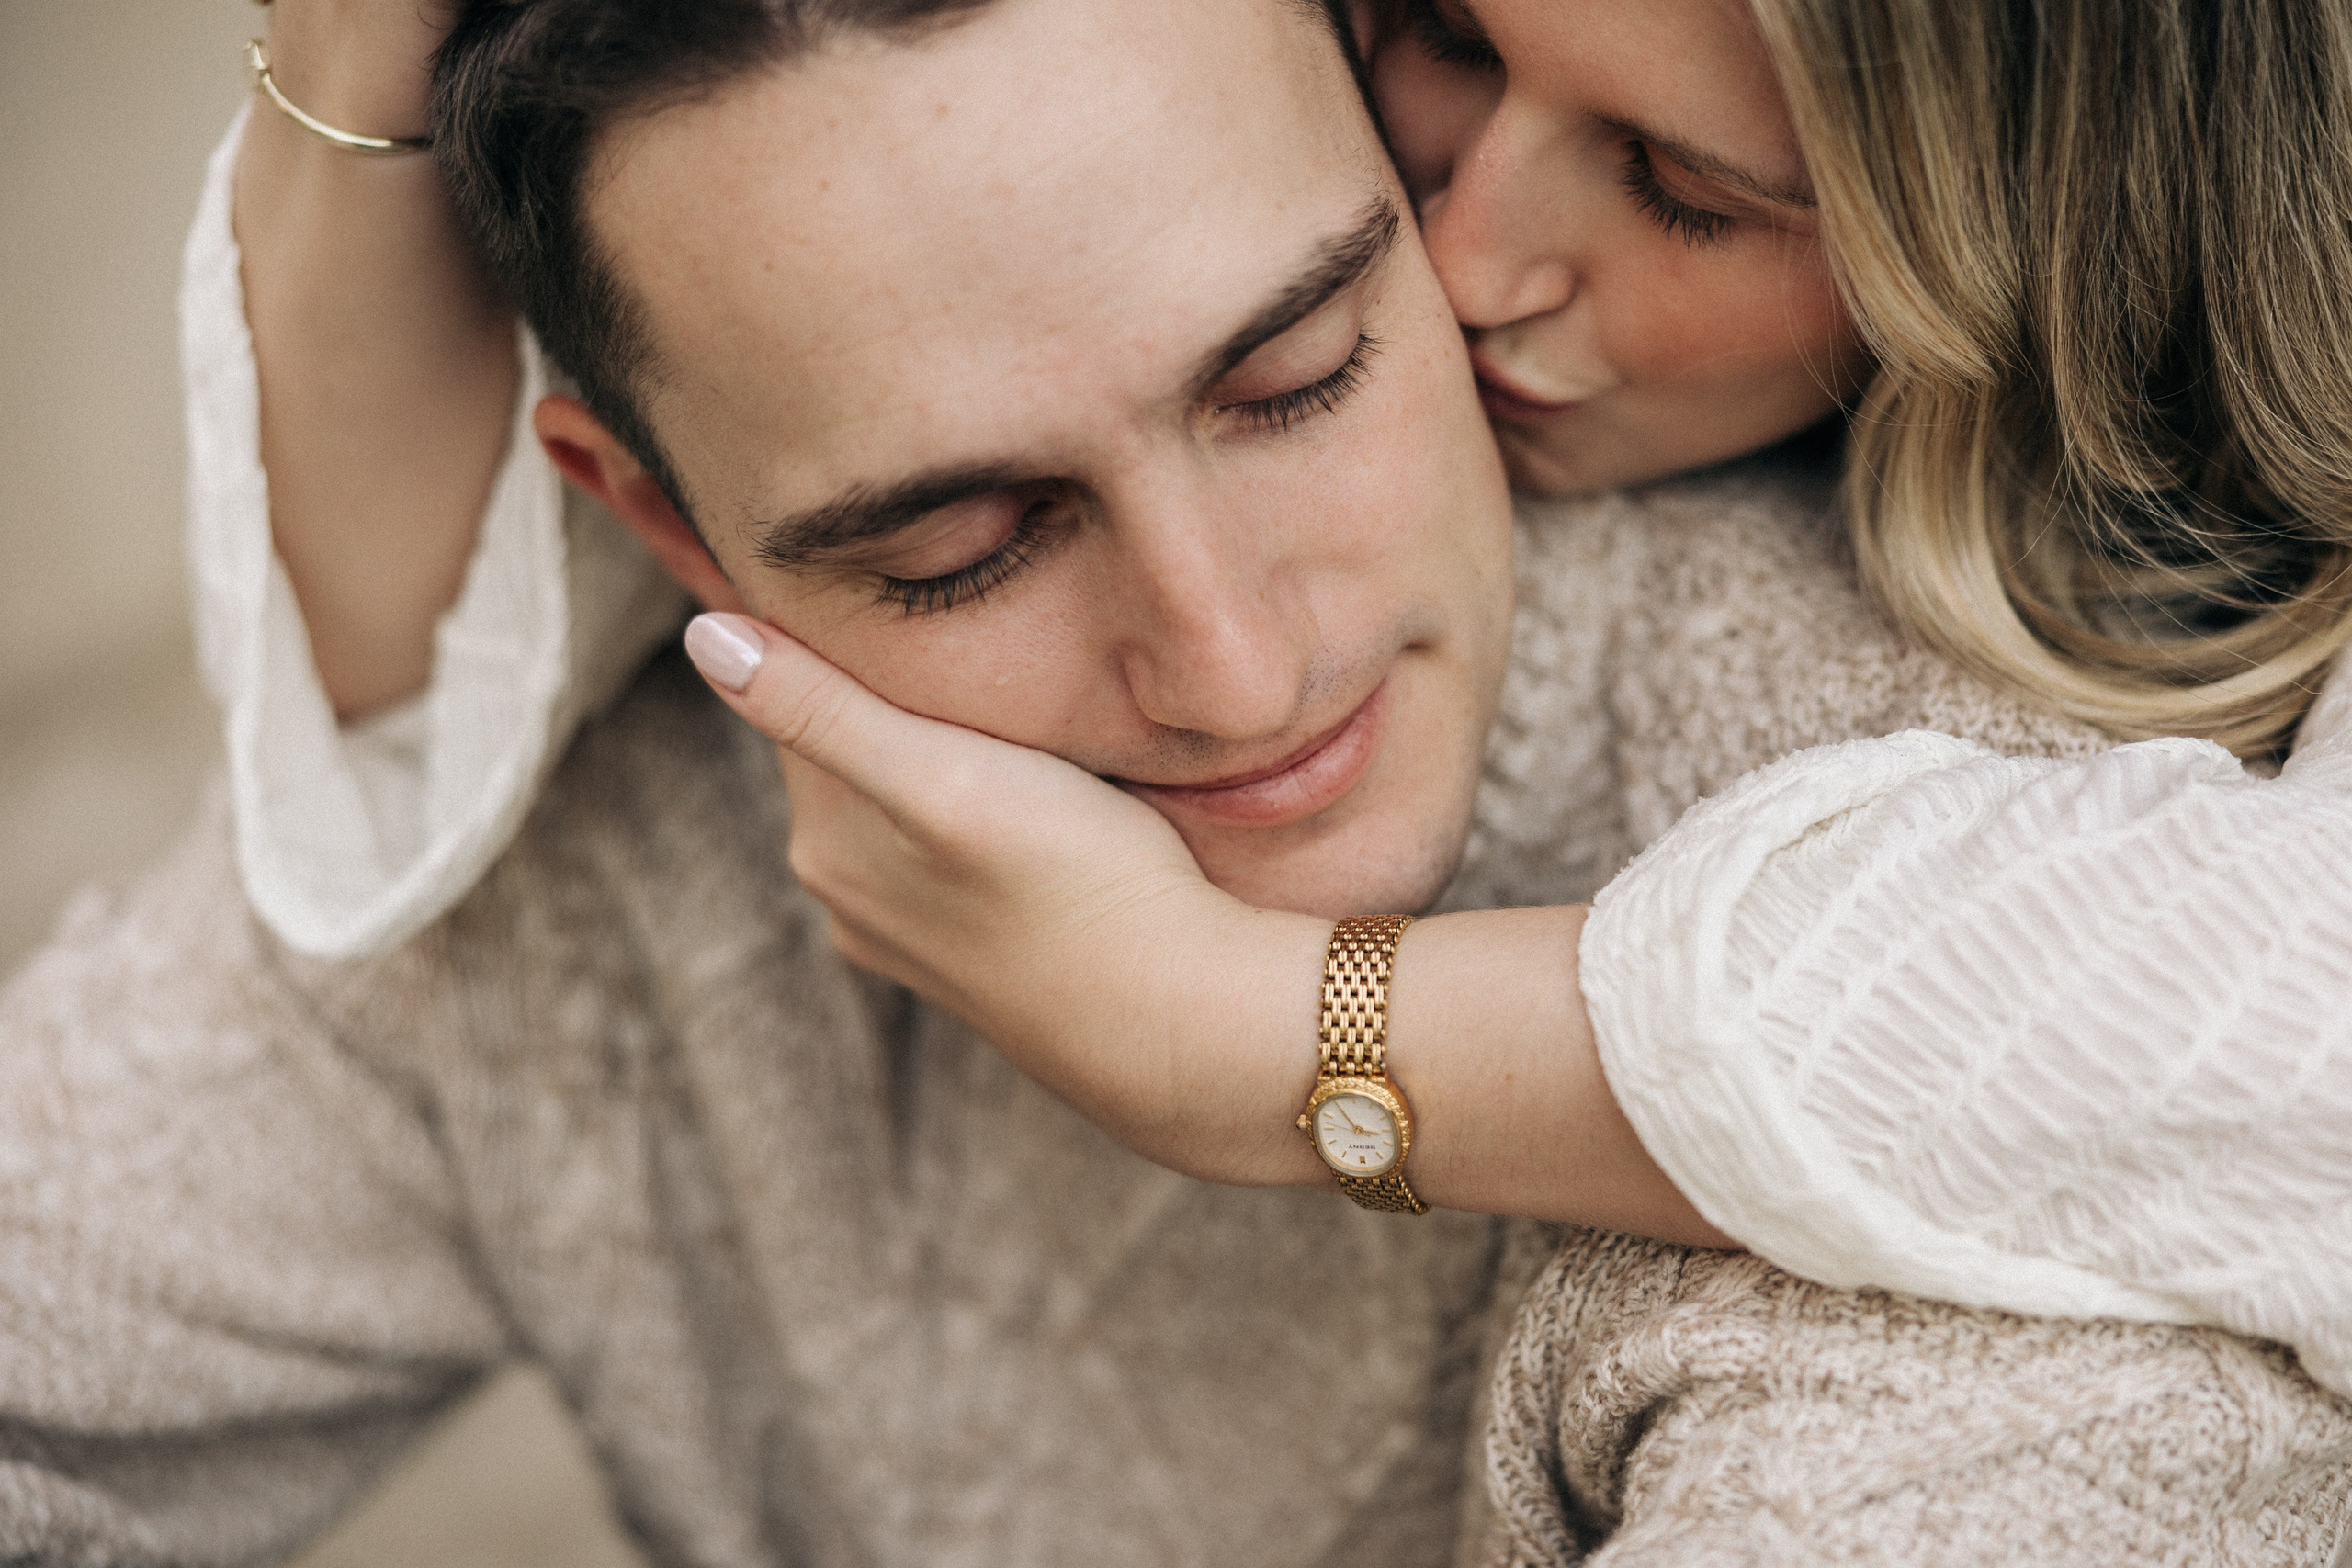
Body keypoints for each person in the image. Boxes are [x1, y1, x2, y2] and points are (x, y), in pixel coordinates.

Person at [5, 1, 2345, 1564]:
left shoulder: (1916, 929)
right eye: (958, 542)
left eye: (1301, 371)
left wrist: (1292, 1041)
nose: (1233, 664)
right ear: (652, 522)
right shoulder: (632, 789)